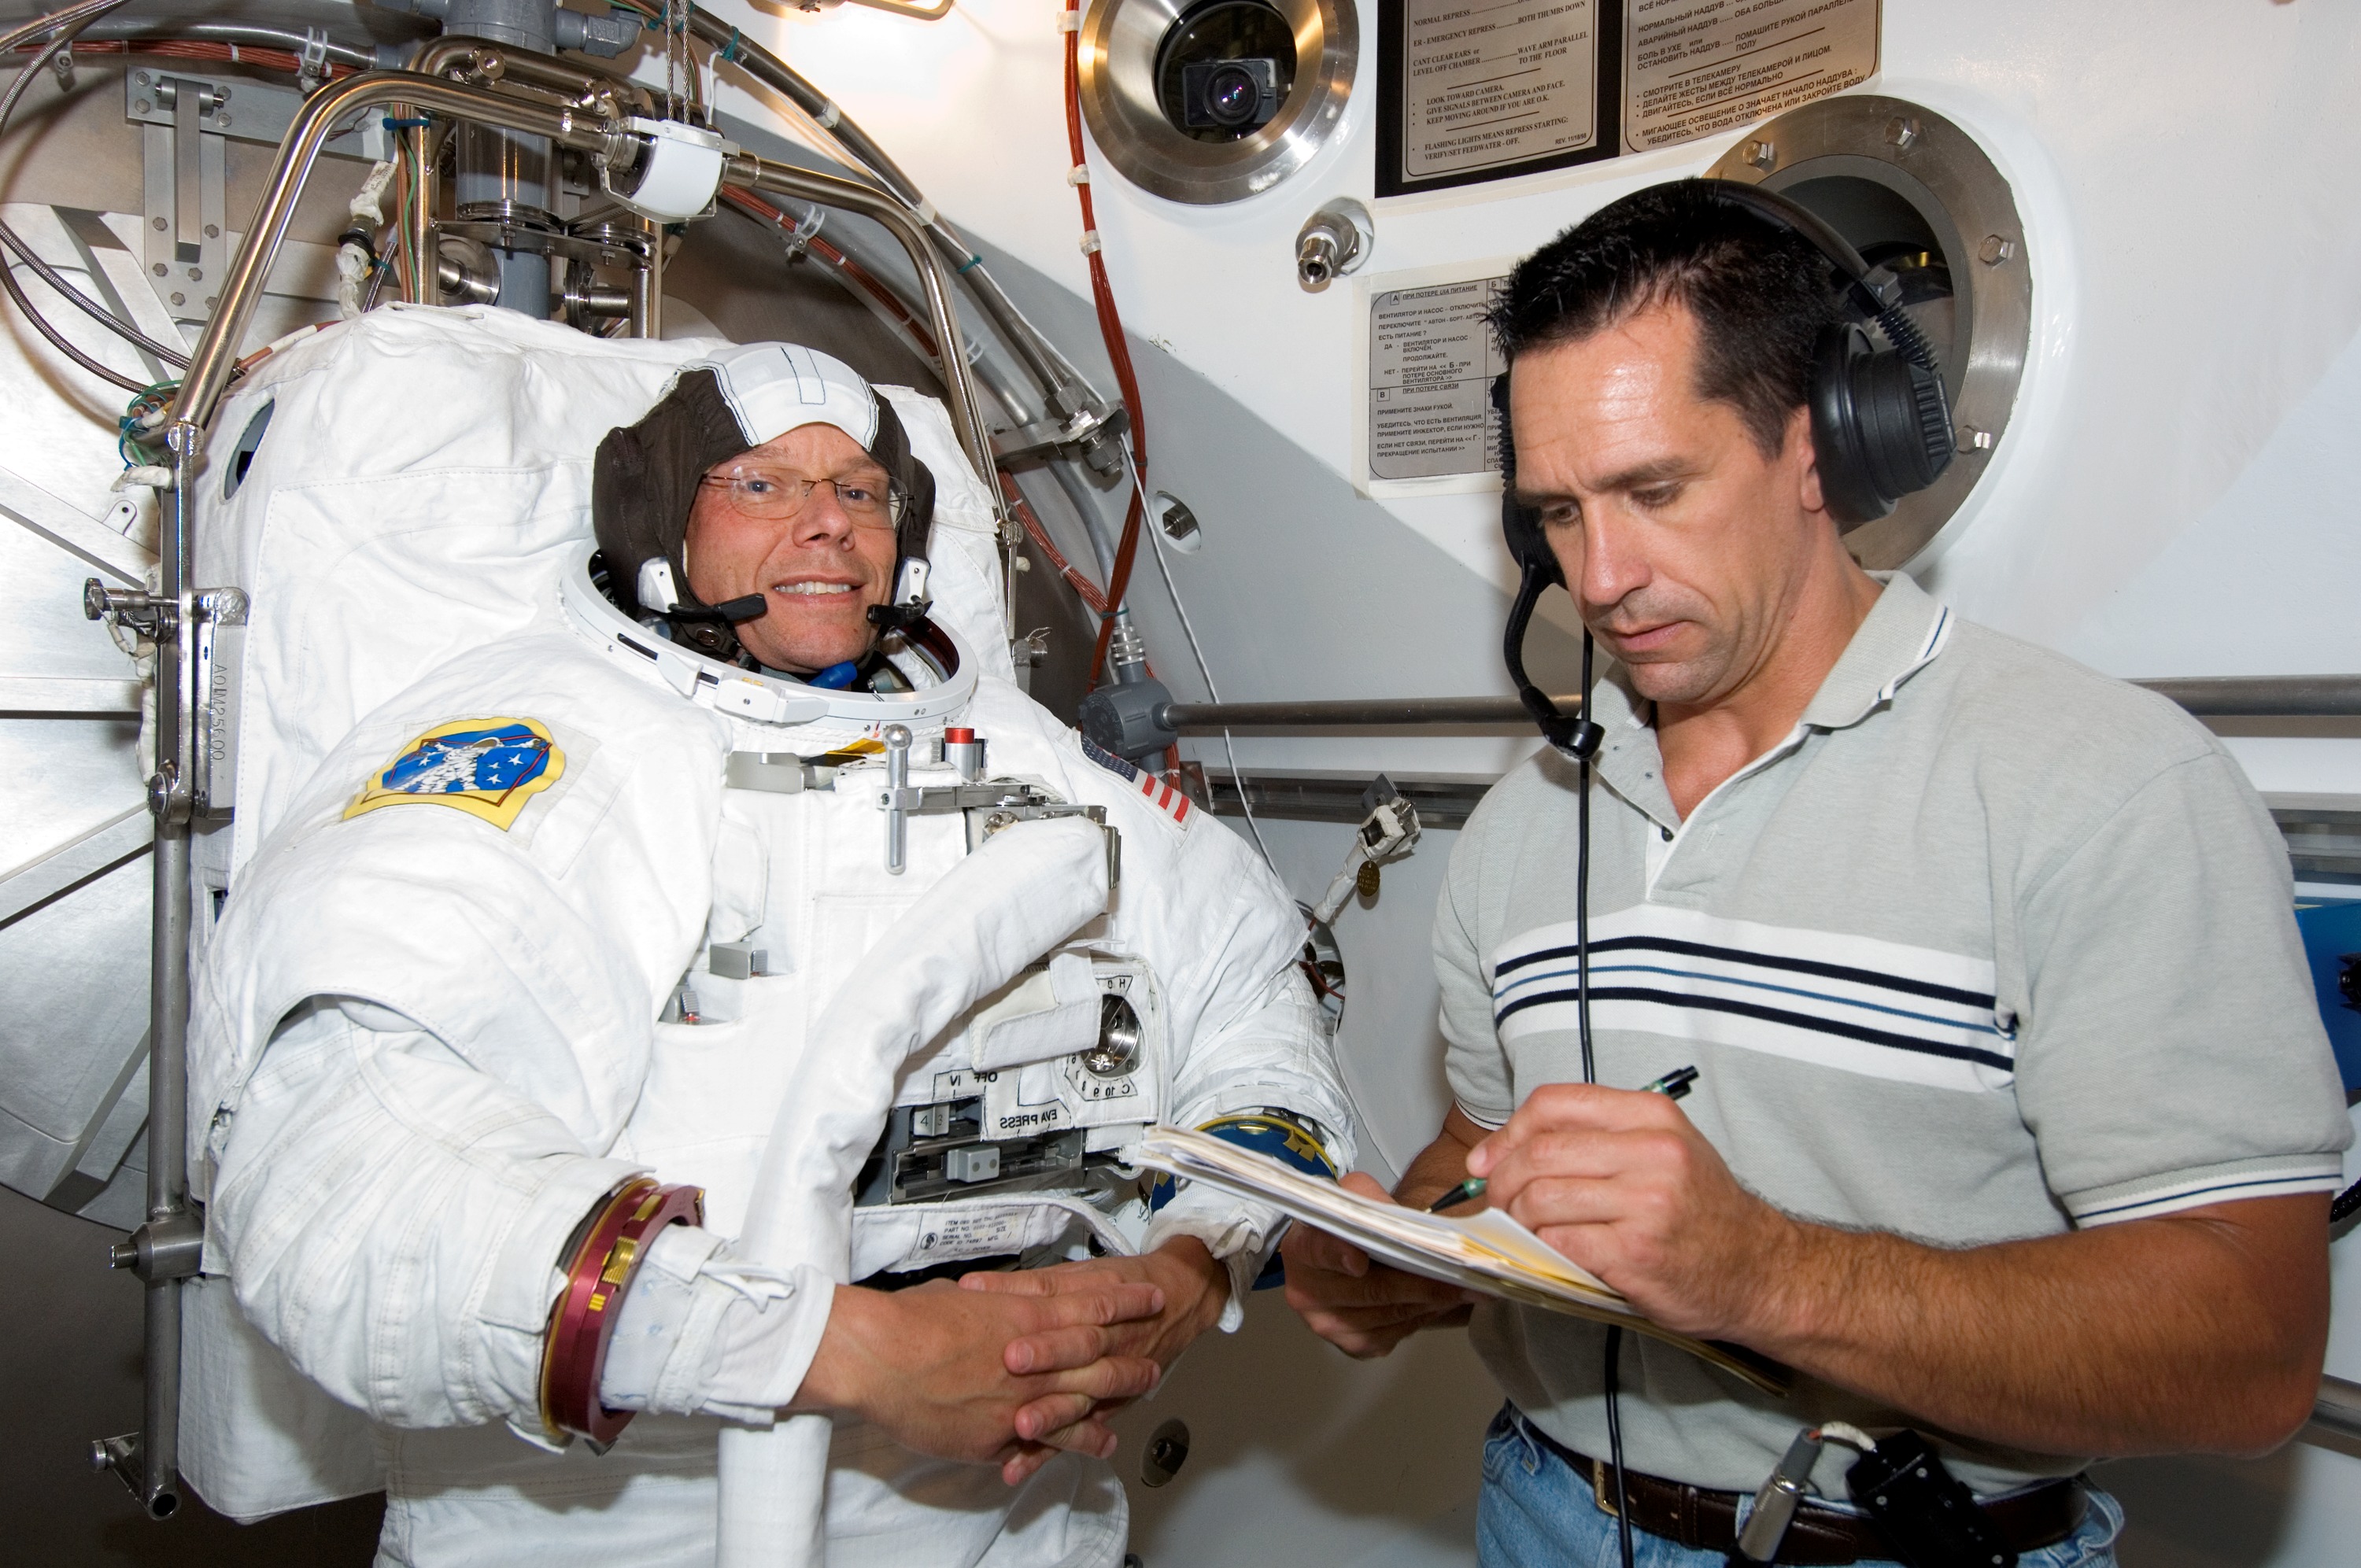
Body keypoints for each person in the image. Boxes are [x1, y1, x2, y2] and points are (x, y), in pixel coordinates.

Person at [1279, 183, 2352, 1567]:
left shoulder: (2105, 788)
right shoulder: (1526, 822)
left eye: (1656, 490)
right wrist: (1404, 1255)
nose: (1600, 577)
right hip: (1540, 1514)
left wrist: (1764, 1271)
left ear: (1819, 442)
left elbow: (2251, 1353)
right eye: (1556, 513)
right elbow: (1488, 1152)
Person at [188, 338, 1350, 1566]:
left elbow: (1254, 997)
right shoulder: (537, 746)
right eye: (760, 483)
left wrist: (1192, 1265)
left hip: (1017, 1525)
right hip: (615, 1526)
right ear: (656, 521)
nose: (826, 525)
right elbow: (347, 1163)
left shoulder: (1035, 764)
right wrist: (830, 1349)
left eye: (859, 492)